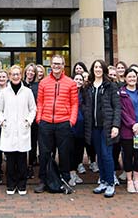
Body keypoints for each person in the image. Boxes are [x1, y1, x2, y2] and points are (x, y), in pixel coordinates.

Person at [34, 54, 78, 194]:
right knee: (45, 153)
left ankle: (64, 180)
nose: (56, 66)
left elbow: (74, 104)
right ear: (51, 65)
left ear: (63, 65)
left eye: (59, 63)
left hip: (63, 123)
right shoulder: (44, 82)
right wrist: (39, 119)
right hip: (46, 122)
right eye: (54, 63)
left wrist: (71, 121)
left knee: (64, 154)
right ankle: (43, 180)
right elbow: (39, 102)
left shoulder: (70, 82)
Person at [0, 65, 37, 195]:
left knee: (21, 160)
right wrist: (2, 121)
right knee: (10, 160)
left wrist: (29, 121)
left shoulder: (27, 91)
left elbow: (33, 109)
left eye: (18, 74)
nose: (15, 76)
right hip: (9, 129)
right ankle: (11, 185)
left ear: (21, 75)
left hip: (23, 129)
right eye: (13, 74)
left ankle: (22, 185)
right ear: (9, 76)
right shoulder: (4, 92)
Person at [84, 59, 120, 198]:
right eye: (95, 67)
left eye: (100, 67)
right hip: (94, 127)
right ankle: (103, 181)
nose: (97, 69)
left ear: (104, 69)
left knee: (107, 155)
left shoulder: (110, 86)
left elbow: (117, 107)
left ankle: (111, 183)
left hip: (107, 127)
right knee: (99, 156)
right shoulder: (89, 86)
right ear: (92, 69)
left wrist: (115, 125)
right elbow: (86, 105)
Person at [118, 68, 138, 194]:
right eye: (129, 77)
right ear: (125, 78)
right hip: (127, 130)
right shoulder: (121, 93)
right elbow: (121, 111)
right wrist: (133, 125)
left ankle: (137, 181)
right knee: (127, 155)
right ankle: (129, 181)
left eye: (134, 76)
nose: (132, 79)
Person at [68, 72, 86, 186]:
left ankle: (75, 173)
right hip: (70, 126)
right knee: (70, 150)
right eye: (76, 79)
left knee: (79, 151)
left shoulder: (85, 93)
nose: (78, 81)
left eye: (81, 79)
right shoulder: (68, 92)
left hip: (82, 127)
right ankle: (70, 173)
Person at [23, 63, 40, 176]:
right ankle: (22, 165)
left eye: (32, 71)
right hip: (21, 118)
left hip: (33, 119)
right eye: (28, 70)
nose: (30, 73)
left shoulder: (38, 85)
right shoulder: (20, 83)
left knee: (33, 143)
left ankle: (30, 165)